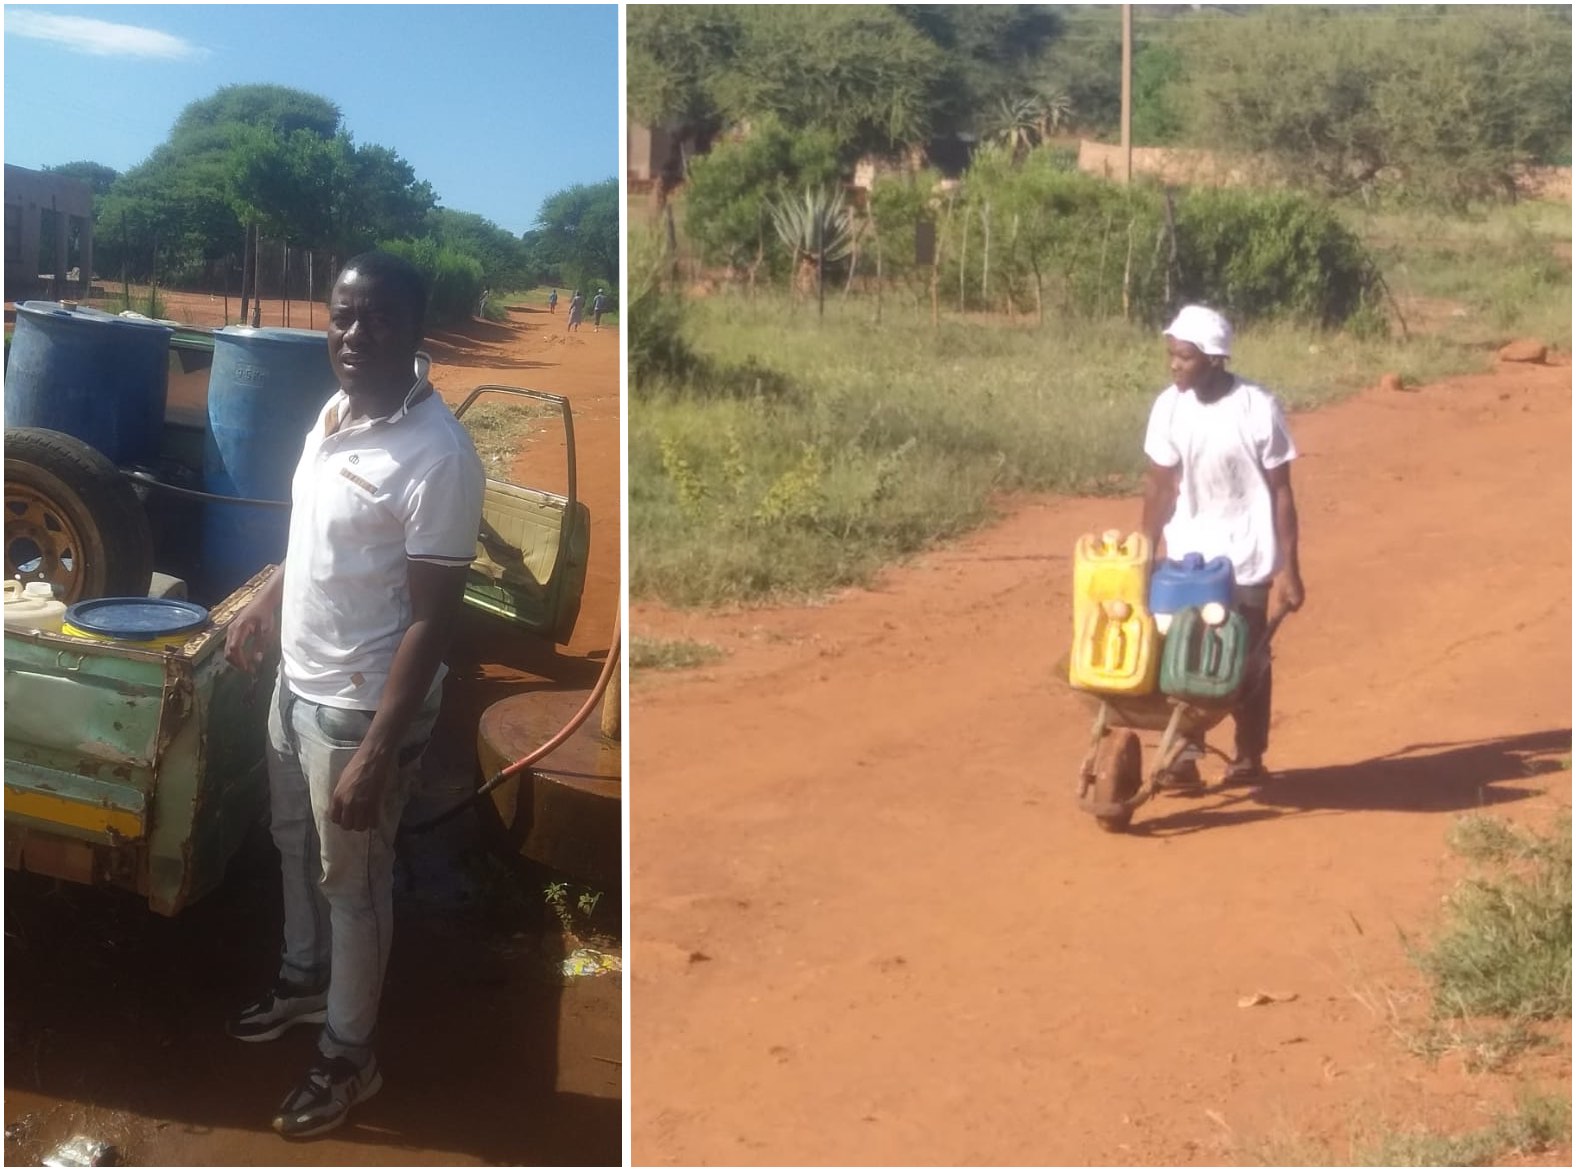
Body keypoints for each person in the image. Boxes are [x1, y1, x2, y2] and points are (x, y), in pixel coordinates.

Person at [223, 251, 485, 1138]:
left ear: (417, 330)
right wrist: (265, 600)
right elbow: (314, 538)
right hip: (297, 683)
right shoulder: (333, 413)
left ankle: (349, 1054)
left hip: (361, 710)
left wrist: (377, 748)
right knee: (293, 844)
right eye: (342, 316)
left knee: (357, 885)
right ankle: (304, 981)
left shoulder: (437, 456)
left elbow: (431, 621)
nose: (354, 333)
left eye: (377, 318)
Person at [1139, 304, 1304, 787]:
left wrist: (1289, 569)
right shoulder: (1169, 406)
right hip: (1190, 557)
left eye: (1185, 357)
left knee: (1247, 659)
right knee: (1180, 656)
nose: (1174, 365)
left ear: (1214, 359)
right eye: (1171, 355)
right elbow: (1160, 485)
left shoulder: (1256, 407)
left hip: (1247, 556)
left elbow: (1281, 491)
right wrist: (1145, 549)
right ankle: (1184, 757)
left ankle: (1249, 755)